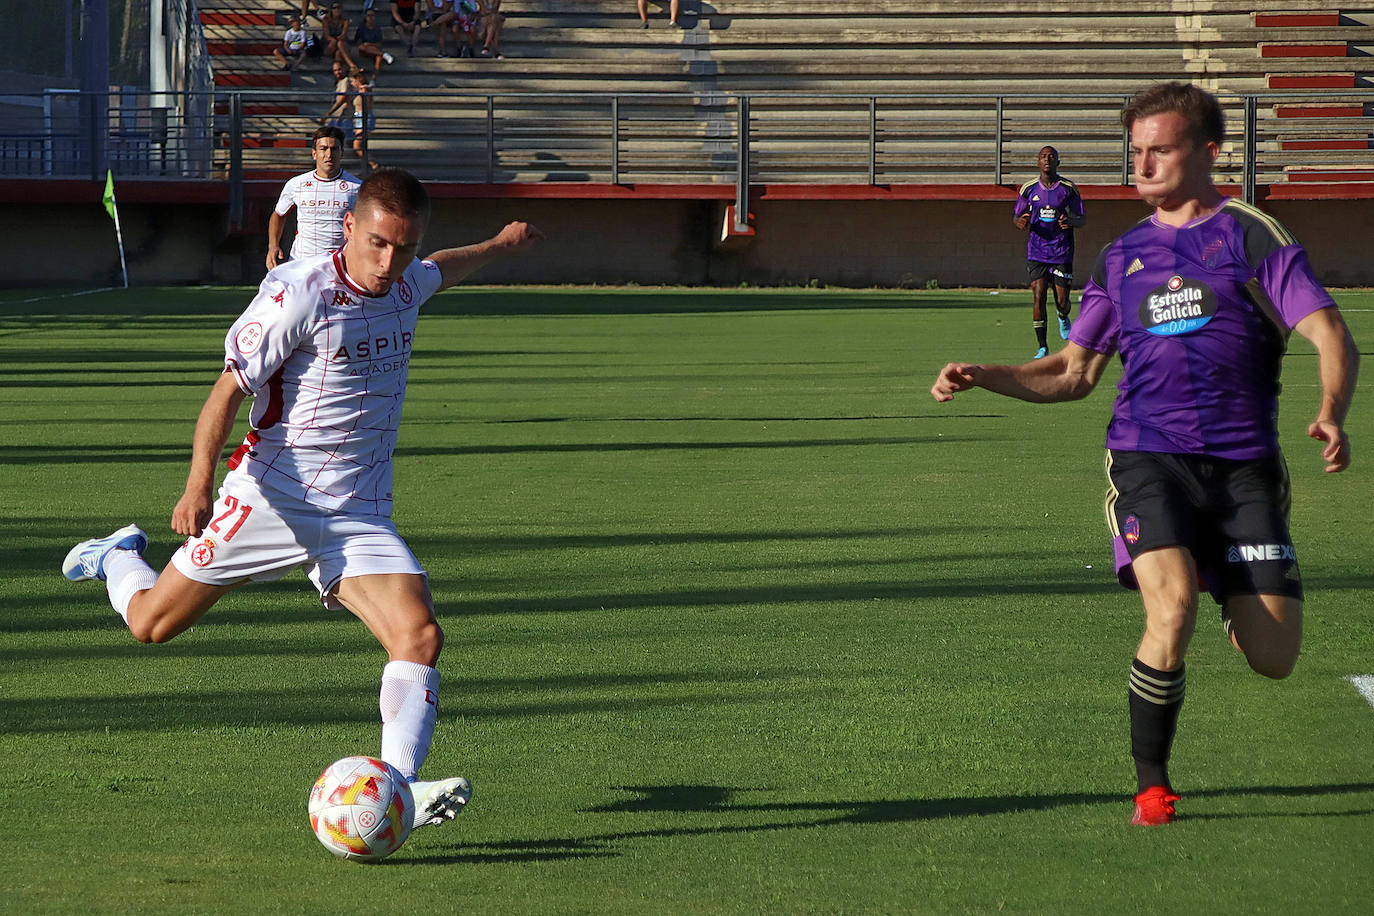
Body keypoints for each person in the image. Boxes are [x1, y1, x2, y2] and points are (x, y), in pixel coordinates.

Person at [62, 168, 545, 835]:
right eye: (377, 243)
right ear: (349, 225)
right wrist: (199, 483)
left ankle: (398, 788)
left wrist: (498, 244)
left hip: (357, 512)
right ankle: (117, 556)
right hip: (272, 497)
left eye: (402, 248)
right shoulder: (300, 293)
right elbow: (226, 392)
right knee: (151, 624)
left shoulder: (405, 280)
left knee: (419, 634)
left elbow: (440, 269)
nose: (388, 262)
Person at [930, 82, 1358, 827]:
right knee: (1171, 610)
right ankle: (1152, 787)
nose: (1144, 163)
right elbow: (1072, 372)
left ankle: (1230, 575)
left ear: (1208, 151)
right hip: (1146, 460)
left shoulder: (1253, 236)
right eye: (1135, 151)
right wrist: (985, 375)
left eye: (1160, 148)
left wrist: (1329, 411)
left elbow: (1328, 332)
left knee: (1274, 657)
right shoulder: (1122, 257)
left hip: (1246, 468)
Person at [1013, 146, 1085, 358]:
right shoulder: (1028, 189)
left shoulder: (1068, 188)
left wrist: (1070, 221)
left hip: (1061, 251)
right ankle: (1042, 347)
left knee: (1062, 301)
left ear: (1057, 163)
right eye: (1043, 156)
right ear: (1038, 162)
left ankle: (1063, 316)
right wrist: (1021, 222)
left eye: (1051, 156)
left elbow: (1082, 218)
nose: (1047, 159)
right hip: (1037, 252)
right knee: (1039, 295)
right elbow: (1017, 216)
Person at [265, 125, 361, 270]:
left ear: (341, 152)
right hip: (302, 262)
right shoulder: (297, 184)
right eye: (323, 149)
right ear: (314, 153)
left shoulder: (357, 187)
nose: (329, 154)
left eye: (334, 149)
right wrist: (273, 246)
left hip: (339, 265)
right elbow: (279, 214)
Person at [321, 2, 355, 67]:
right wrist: (333, 40)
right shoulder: (325, 20)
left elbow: (344, 34)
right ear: (331, 10)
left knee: (338, 51)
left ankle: (344, 68)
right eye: (334, 8)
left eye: (338, 8)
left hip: (341, 42)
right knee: (334, 42)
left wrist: (338, 39)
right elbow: (326, 35)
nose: (337, 10)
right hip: (329, 43)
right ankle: (351, 65)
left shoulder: (345, 20)